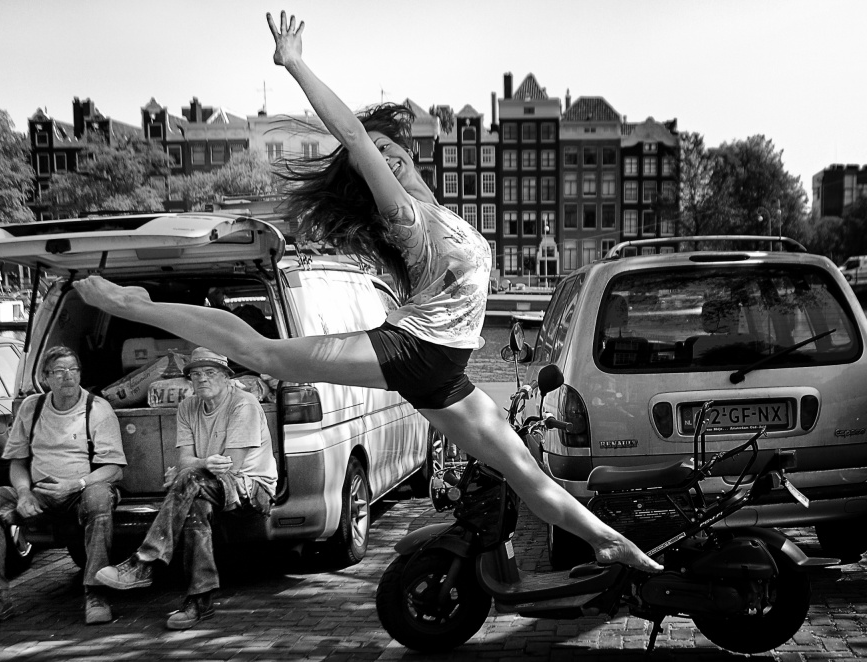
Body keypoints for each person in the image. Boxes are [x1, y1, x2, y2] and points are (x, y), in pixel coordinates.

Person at [72, 10, 661, 574]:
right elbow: (352, 135)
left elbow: (365, 142)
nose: (382, 158)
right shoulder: (405, 215)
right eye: (371, 158)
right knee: (263, 353)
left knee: (525, 471)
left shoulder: (442, 213)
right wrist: (295, 64)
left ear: (408, 150)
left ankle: (611, 543)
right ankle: (132, 303)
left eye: (388, 149)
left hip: (446, 369)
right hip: (413, 349)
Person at [93, 347, 277, 630]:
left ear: (226, 377)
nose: (202, 379)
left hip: (253, 488)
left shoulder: (244, 404)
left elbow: (231, 465)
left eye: (210, 372)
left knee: (190, 481)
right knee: (194, 506)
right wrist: (193, 468)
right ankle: (199, 601)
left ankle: (143, 562)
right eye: (196, 374)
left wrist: (189, 470)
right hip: (206, 486)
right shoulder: (187, 407)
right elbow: (185, 460)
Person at [0, 345, 127, 630]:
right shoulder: (32, 407)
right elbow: (18, 462)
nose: (67, 376)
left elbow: (114, 469)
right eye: (59, 371)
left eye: (73, 370)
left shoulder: (97, 408)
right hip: (39, 493)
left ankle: (96, 593)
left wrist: (75, 484)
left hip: (82, 491)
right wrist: (24, 493)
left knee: (99, 498)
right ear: (46, 377)